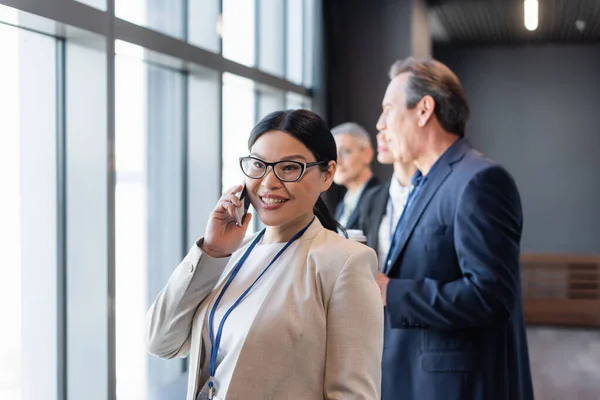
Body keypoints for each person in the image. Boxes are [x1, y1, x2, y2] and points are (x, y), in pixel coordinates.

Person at [145, 109, 383, 400]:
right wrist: (212, 251)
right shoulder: (230, 256)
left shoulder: (343, 262)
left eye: (289, 168)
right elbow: (161, 342)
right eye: (258, 165)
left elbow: (353, 395)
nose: (269, 182)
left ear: (327, 174)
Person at [375, 57, 534, 400]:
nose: (381, 123)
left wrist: (392, 292)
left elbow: (491, 296)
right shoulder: (423, 182)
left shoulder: (480, 179)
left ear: (423, 110)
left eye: (389, 109)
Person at [358, 130, 416, 271]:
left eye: (389, 129)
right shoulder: (372, 198)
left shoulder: (438, 193)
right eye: (380, 131)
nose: (380, 136)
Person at [331, 122, 380, 230]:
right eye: (333, 154)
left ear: (367, 155)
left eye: (346, 151)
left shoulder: (381, 199)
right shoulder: (342, 205)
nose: (337, 161)